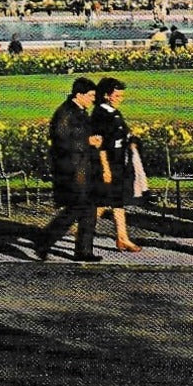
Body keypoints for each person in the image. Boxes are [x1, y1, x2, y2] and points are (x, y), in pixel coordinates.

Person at [33, 77, 103, 262]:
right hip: (71, 170)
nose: (93, 99)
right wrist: (87, 142)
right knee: (76, 208)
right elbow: (61, 141)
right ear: (79, 95)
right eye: (90, 96)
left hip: (83, 168)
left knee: (88, 209)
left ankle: (83, 251)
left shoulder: (79, 111)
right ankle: (44, 240)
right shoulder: (65, 113)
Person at [89, 77, 142, 252]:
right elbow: (100, 144)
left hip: (119, 162)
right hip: (107, 163)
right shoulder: (99, 115)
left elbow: (122, 133)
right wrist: (105, 169)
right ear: (106, 95)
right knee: (102, 202)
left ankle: (122, 238)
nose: (120, 98)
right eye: (117, 95)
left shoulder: (114, 112)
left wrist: (132, 141)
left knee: (117, 202)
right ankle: (81, 232)